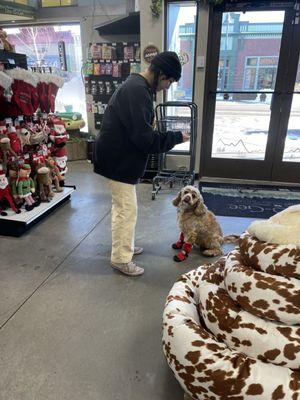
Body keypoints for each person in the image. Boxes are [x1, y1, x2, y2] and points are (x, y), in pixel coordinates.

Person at [93, 51, 190, 277]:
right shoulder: (138, 91)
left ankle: (124, 246)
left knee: (125, 209)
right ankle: (120, 258)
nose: (167, 87)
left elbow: (141, 134)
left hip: (119, 156)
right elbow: (145, 139)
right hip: (117, 160)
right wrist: (175, 137)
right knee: (126, 210)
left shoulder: (139, 86)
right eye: (169, 81)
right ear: (161, 74)